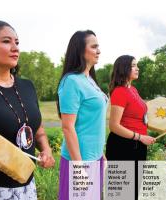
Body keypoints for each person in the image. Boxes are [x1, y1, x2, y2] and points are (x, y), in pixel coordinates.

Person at [0, 20, 55, 200]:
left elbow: (37, 129)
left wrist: (46, 150)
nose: (15, 47)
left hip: (25, 189)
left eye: (17, 42)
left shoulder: (27, 86)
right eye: (6, 41)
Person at [57, 30, 108, 200]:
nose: (98, 51)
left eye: (98, 46)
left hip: (96, 158)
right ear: (80, 50)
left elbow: (94, 123)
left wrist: (102, 155)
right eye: (94, 47)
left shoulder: (90, 79)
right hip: (79, 161)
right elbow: (67, 127)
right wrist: (79, 168)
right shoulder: (72, 81)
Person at [105, 55, 156, 199]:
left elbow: (140, 118)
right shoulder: (120, 91)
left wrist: (164, 127)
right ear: (124, 68)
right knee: (122, 195)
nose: (137, 68)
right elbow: (114, 126)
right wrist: (140, 137)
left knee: (133, 193)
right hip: (123, 146)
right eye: (134, 65)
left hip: (137, 145)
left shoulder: (133, 90)